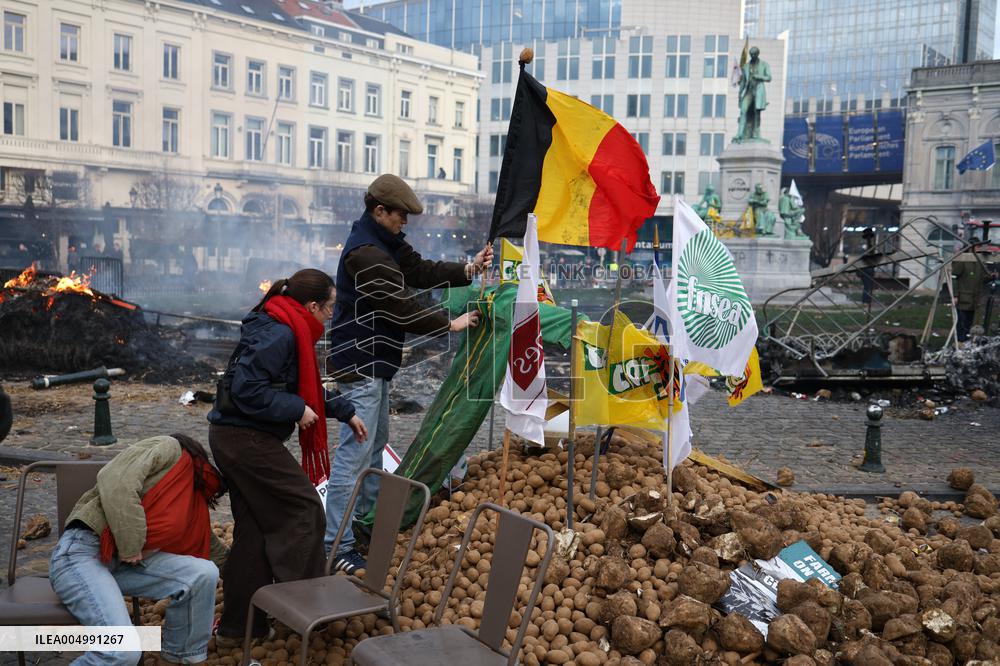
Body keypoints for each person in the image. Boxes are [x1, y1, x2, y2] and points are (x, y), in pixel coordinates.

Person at [325, 174, 492, 573]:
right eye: (401, 215)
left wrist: (468, 270)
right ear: (379, 211)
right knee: (354, 456)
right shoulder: (365, 254)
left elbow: (419, 270)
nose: (406, 222)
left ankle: (361, 527)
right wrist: (447, 323)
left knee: (376, 445)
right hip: (360, 364)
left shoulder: (385, 243)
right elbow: (397, 306)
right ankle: (337, 544)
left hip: (375, 363)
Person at [207, 269, 367, 647]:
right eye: (329, 308)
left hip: (237, 435)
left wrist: (344, 410)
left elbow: (300, 384)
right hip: (243, 439)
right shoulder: (281, 332)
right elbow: (248, 388)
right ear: (311, 306)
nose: (331, 316)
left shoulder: (286, 324)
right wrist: (295, 409)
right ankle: (306, 609)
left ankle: (240, 629)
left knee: (255, 531)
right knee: (305, 507)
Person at [49, 434, 228, 666]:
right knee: (121, 652)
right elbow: (115, 481)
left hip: (124, 566)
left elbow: (215, 552)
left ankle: (178, 659)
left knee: (203, 573)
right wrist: (131, 543)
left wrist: (260, 580)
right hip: (84, 553)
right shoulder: (169, 447)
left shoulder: (190, 502)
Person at [952, 238, 994, 343]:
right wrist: (955, 295)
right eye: (977, 246)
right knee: (961, 323)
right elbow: (954, 276)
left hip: (975, 299)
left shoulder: (979, 261)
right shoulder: (963, 260)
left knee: (970, 323)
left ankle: (968, 342)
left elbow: (982, 279)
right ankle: (960, 342)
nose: (979, 249)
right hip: (963, 298)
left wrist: (991, 277)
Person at [736, 46, 772, 143]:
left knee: (757, 113)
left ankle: (756, 133)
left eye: (754, 54)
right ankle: (739, 134)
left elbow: (769, 78)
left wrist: (759, 76)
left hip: (759, 91)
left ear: (757, 54)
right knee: (743, 111)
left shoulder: (764, 65)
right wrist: (740, 95)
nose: (753, 56)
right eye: (751, 54)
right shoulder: (746, 66)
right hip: (749, 92)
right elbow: (743, 82)